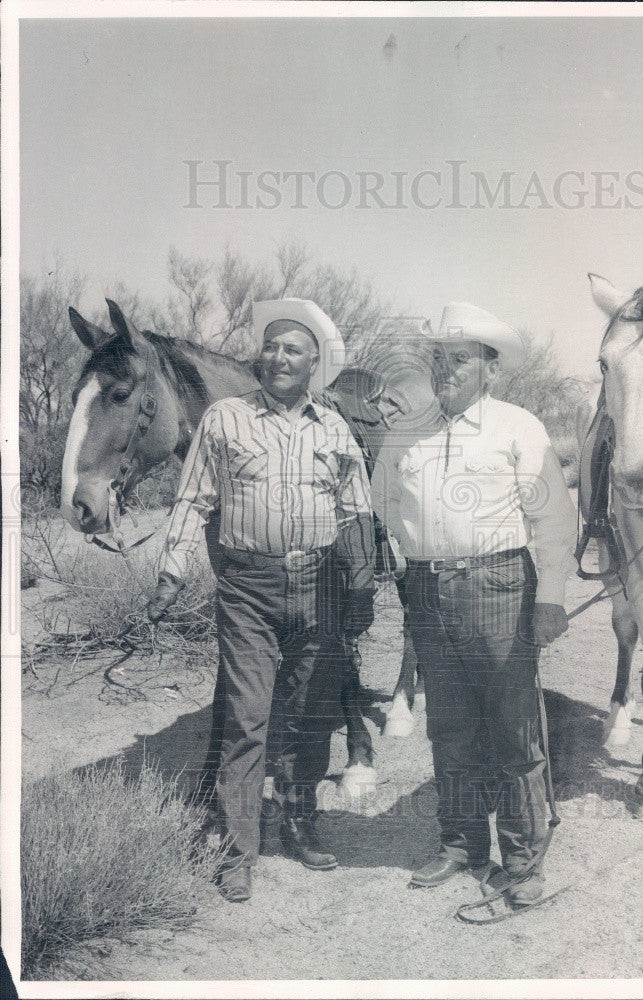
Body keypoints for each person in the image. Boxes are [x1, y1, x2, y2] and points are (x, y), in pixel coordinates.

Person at [147, 299, 375, 902]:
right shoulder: (225, 419)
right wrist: (172, 570)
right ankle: (235, 850)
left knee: (309, 715)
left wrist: (361, 584)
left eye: (292, 350)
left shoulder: (334, 429)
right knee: (248, 718)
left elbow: (357, 511)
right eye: (270, 347)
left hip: (319, 587)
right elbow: (193, 497)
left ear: (313, 364)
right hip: (249, 587)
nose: (277, 357)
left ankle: (300, 822)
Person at [370, 302, 577, 905]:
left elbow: (555, 522)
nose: (446, 369)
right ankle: (461, 844)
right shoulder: (405, 432)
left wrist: (553, 598)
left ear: (490, 369)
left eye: (459, 359)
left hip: (501, 588)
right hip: (428, 592)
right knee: (451, 729)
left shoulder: (518, 428)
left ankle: (522, 861)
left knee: (514, 730)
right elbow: (384, 504)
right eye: (438, 357)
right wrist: (410, 554)